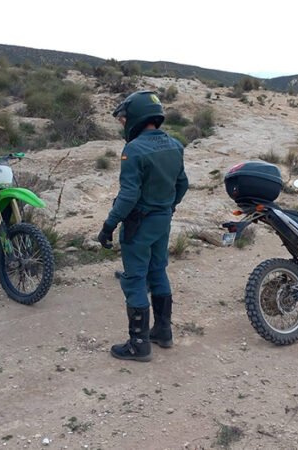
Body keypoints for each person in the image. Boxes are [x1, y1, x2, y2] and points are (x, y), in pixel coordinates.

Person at [98, 90, 189, 362]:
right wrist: (168, 207)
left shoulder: (134, 149)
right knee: (158, 271)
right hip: (162, 222)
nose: (123, 124)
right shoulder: (175, 145)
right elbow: (182, 184)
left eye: (124, 119)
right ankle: (163, 331)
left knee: (135, 278)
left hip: (139, 223)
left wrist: (108, 225)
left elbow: (128, 196)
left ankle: (139, 344)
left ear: (136, 117)